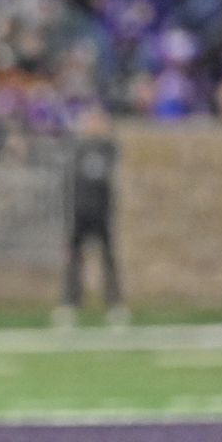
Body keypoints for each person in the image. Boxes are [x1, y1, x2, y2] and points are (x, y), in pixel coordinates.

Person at [55, 106, 128, 328]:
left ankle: (114, 304)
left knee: (108, 259)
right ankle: (70, 303)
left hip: (102, 212)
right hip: (80, 212)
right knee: (74, 260)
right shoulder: (77, 148)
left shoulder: (107, 148)